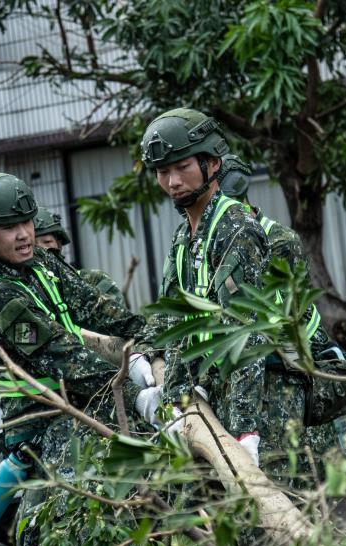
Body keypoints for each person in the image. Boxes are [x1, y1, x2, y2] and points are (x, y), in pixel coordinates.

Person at [0, 173, 163, 546]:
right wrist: (137, 397)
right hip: (45, 422)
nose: (23, 234)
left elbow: (99, 310)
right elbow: (63, 356)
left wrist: (149, 340)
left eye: (27, 222)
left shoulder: (43, 264)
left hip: (82, 405)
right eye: (9, 227)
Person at [216, 155, 346, 483]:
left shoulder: (276, 239)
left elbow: (297, 314)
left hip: (278, 375)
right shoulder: (205, 243)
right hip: (233, 379)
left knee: (282, 480)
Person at [137, 108, 270, 466]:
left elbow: (248, 333)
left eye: (182, 167)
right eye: (163, 172)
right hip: (209, 394)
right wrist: (174, 398)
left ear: (212, 164)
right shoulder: (185, 235)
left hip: (258, 399)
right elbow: (178, 324)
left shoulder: (235, 228)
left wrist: (246, 432)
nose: (172, 181)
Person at [31, 206, 127, 310]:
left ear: (59, 245)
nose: (42, 249)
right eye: (33, 245)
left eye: (47, 242)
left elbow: (119, 318)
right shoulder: (25, 291)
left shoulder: (94, 281)